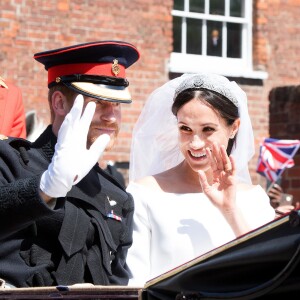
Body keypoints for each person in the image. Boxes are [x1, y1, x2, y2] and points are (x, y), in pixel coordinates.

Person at [0, 41, 139, 287]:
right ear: (59, 103)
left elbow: (118, 281)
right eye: (99, 102)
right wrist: (43, 189)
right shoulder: (9, 161)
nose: (111, 116)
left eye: (116, 104)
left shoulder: (117, 194)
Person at [126, 73, 276, 285]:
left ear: (233, 128)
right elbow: (135, 283)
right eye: (185, 129)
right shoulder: (144, 194)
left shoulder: (255, 199)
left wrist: (230, 210)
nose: (195, 143)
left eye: (208, 129)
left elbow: (269, 274)